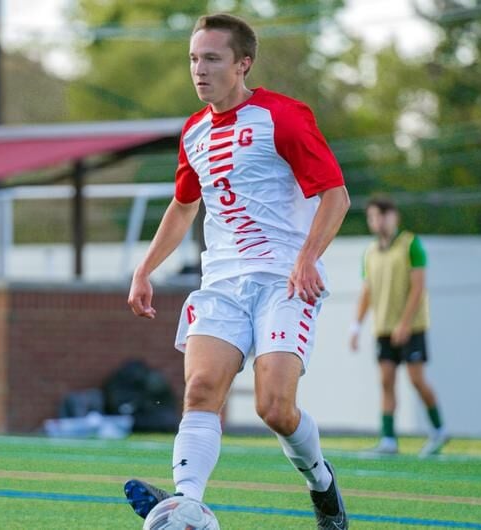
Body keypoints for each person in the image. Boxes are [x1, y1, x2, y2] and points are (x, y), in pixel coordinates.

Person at [123, 13, 350, 530]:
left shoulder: (283, 116)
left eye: (212, 59)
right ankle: (185, 502)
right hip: (222, 284)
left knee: (275, 408)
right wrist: (144, 268)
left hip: (283, 282)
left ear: (243, 64)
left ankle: (322, 483)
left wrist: (307, 257)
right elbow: (183, 208)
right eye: (193, 59)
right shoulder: (193, 132)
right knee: (201, 388)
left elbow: (335, 196)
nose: (199, 71)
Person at [349, 196, 448, 458]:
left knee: (416, 380)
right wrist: (355, 327)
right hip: (383, 329)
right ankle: (389, 439)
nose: (378, 220)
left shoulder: (411, 244)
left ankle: (439, 429)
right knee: (386, 381)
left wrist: (404, 323)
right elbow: (366, 292)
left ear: (394, 217)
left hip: (411, 327)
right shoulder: (369, 253)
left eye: (383, 214)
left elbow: (418, 286)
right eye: (373, 216)